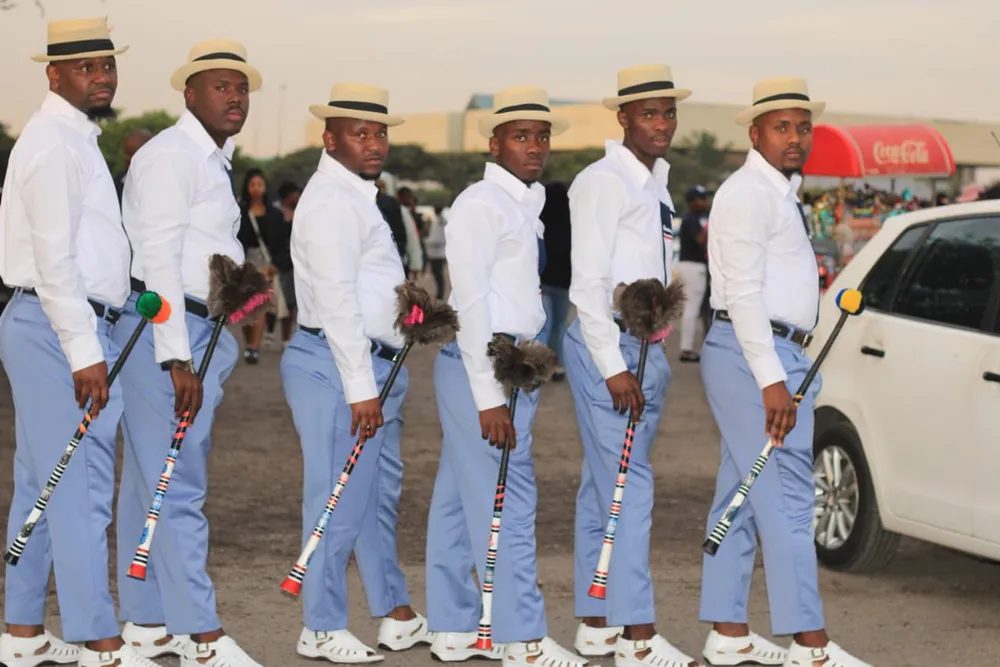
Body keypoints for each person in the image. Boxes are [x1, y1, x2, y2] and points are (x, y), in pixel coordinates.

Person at [0, 17, 161, 667]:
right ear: (54, 74)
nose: (102, 77)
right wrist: (84, 350)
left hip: (59, 323)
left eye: (107, 65)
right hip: (57, 325)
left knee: (42, 479)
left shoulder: (75, 137)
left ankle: (22, 631)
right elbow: (54, 260)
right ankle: (100, 639)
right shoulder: (52, 143)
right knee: (82, 485)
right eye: (86, 67)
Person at [698, 77, 871, 667]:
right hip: (756, 358)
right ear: (755, 133)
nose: (795, 137)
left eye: (803, 127)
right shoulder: (749, 193)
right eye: (781, 127)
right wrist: (772, 379)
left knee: (741, 496)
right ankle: (809, 644)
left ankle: (727, 633)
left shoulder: (778, 192)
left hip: (770, 355)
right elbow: (744, 293)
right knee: (791, 501)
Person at [111, 40, 265, 667]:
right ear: (190, 93)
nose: (236, 97)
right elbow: (158, 261)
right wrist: (175, 357)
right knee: (177, 483)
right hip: (167, 333)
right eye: (221, 86)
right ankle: (201, 635)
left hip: (202, 330)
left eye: (242, 88)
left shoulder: (211, 160)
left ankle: (146, 621)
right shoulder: (171, 155)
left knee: (149, 481)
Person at [425, 86, 585, 666]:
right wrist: (488, 397)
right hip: (485, 369)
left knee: (455, 501)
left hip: (505, 367)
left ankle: (451, 626)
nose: (535, 146)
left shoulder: (526, 203)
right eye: (521, 136)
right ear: (494, 144)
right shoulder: (480, 204)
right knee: (509, 503)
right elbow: (469, 304)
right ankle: (522, 639)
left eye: (542, 137)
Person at [282, 82, 430, 664]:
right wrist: (360, 389)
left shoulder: (359, 197)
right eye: (359, 134)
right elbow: (338, 303)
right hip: (340, 369)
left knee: (372, 499)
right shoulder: (330, 202)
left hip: (374, 369)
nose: (374, 144)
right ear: (330, 139)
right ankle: (320, 626)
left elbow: (367, 287)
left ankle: (394, 613)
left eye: (380, 133)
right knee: (337, 501)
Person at [563, 64, 700, 667]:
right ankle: (639, 638)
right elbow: (588, 282)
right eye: (649, 113)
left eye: (669, 113)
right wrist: (611, 366)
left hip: (647, 346)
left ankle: (597, 624)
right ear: (623, 117)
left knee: (604, 488)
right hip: (612, 349)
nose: (662, 123)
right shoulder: (602, 181)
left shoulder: (657, 184)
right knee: (630, 489)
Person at [236, 167, 288, 362]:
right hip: (245, 263)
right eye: (252, 185)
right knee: (244, 309)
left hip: (266, 265)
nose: (256, 188)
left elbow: (282, 243)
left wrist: (275, 265)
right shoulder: (238, 213)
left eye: (259, 184)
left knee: (259, 306)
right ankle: (249, 342)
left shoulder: (275, 214)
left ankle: (254, 347)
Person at [537, 181, 572, 380]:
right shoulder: (572, 223)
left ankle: (539, 365)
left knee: (544, 325)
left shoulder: (539, 223)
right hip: (564, 282)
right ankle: (557, 365)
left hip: (542, 281)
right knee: (559, 326)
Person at [677, 185, 711, 362]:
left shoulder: (695, 218)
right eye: (701, 199)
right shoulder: (691, 218)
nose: (705, 202)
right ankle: (686, 348)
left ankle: (688, 347)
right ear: (692, 201)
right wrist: (713, 224)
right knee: (692, 308)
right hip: (693, 266)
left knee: (693, 308)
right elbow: (700, 240)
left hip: (690, 265)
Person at [116, 127, 153, 203]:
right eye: (126, 153)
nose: (127, 158)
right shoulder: (119, 180)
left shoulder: (160, 181)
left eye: (131, 154)